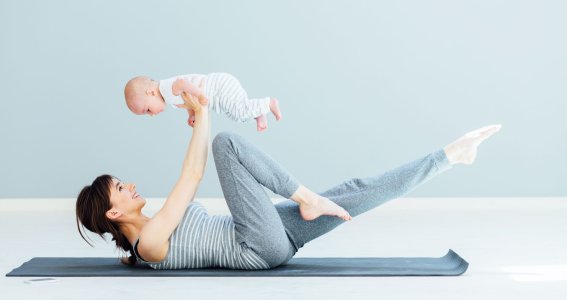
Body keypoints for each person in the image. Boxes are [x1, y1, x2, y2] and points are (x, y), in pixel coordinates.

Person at [77, 89, 502, 269]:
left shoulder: (145, 245)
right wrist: (202, 112)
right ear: (114, 211)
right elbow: (192, 175)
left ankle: (449, 156)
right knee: (226, 144)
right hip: (256, 246)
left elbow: (189, 181)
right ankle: (308, 197)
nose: (130, 185)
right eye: (121, 187)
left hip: (271, 233)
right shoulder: (149, 243)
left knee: (354, 191)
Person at [123, 72, 281, 131]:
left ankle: (269, 103)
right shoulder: (167, 96)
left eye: (147, 110)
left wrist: (200, 95)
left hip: (218, 87)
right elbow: (185, 97)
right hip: (220, 87)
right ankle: (259, 112)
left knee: (238, 110)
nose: (151, 115)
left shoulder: (166, 88)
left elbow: (182, 83)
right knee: (236, 114)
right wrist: (191, 113)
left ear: (150, 92)